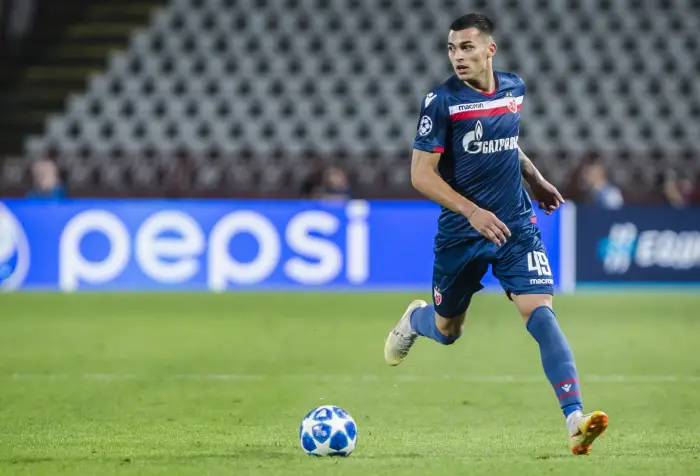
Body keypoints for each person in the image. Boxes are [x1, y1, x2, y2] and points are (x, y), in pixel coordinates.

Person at [383, 13, 607, 455]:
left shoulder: (513, 88)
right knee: (448, 331)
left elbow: (508, 143)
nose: (458, 56)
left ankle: (575, 419)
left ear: (490, 49)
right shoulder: (440, 101)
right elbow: (420, 175)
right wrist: (471, 211)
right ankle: (414, 320)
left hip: (514, 226)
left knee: (539, 311)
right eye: (451, 48)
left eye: (467, 47)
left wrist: (534, 178)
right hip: (461, 232)